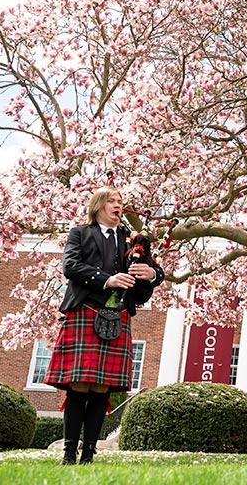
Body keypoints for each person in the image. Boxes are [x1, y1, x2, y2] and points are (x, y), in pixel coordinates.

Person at [44, 187, 164, 464]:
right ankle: (69, 453)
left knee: (102, 386)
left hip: (117, 314)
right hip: (86, 310)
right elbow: (71, 266)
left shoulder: (132, 240)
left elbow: (155, 271)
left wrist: (152, 274)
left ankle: (88, 453)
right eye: (112, 201)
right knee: (80, 384)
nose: (118, 205)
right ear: (98, 205)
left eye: (121, 201)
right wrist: (107, 279)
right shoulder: (80, 233)